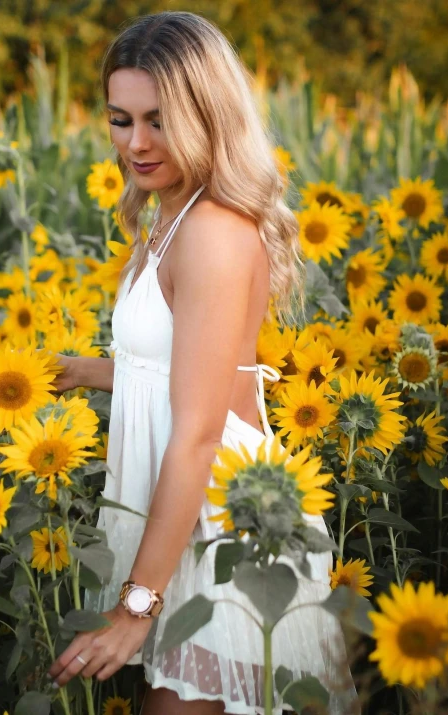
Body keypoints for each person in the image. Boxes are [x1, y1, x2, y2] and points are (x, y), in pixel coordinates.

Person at [47, 11, 359, 714]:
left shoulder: (214, 230)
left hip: (224, 530)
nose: (136, 143)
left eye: (159, 118)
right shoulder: (171, 210)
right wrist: (75, 369)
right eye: (120, 119)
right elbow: (182, 371)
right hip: (178, 517)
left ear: (206, 113)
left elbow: (197, 429)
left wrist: (137, 605)